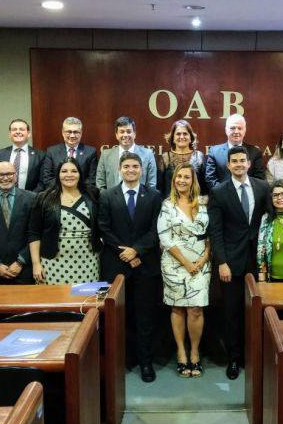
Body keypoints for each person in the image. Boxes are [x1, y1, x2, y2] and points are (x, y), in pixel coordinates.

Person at [98, 152, 163, 383]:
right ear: (119, 169)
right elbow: (103, 228)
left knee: (145, 316)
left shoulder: (154, 196)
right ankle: (122, 361)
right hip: (116, 266)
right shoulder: (107, 195)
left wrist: (137, 250)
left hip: (145, 265)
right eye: (126, 166)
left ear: (142, 169)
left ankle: (146, 363)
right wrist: (125, 253)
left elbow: (156, 230)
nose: (131, 170)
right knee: (118, 316)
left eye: (135, 166)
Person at [208, 146, 269, 380]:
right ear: (228, 165)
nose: (239, 164)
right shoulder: (219, 191)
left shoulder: (262, 187)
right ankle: (234, 358)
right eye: (235, 161)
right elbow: (216, 230)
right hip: (230, 263)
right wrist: (221, 262)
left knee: (256, 312)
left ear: (249, 163)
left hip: (258, 261)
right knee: (232, 313)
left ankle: (254, 357)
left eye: (243, 160)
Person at [157, 163, 210, 378]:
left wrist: (203, 259)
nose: (182, 180)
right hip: (174, 262)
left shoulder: (204, 204)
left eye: (186, 177)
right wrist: (187, 263)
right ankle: (181, 352)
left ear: (193, 180)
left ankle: (195, 352)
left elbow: (210, 235)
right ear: (173, 180)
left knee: (196, 308)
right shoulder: (167, 205)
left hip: (201, 262)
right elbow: (165, 238)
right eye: (179, 177)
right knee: (178, 307)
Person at [29, 158, 100, 285]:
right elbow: (34, 233)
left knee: (85, 300)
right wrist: (36, 264)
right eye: (64, 171)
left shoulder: (93, 194)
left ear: (80, 174)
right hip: (53, 261)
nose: (69, 175)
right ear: (58, 175)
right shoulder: (44, 197)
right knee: (55, 301)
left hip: (88, 260)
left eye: (74, 171)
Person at [0, 161, 37, 284]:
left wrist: (21, 261)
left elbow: (35, 234)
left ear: (15, 176)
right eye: (0, 175)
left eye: (9, 174)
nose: (5, 178)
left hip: (24, 271)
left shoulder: (32, 198)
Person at [204, 113, 266, 191]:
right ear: (226, 130)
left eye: (240, 128)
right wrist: (223, 194)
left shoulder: (255, 152)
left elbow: (259, 179)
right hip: (222, 199)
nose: (236, 131)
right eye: (232, 128)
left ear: (245, 130)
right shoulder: (214, 152)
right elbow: (210, 178)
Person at [96, 116, 156, 191]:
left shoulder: (148, 154)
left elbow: (151, 184)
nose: (125, 135)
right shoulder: (105, 155)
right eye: (122, 132)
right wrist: (108, 200)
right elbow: (100, 183)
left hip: (140, 201)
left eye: (128, 131)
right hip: (111, 201)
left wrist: (144, 202)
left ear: (134, 134)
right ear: (116, 135)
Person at [41, 117, 97, 190]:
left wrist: (75, 191)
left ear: (81, 133)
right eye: (69, 132)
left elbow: (92, 179)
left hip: (82, 194)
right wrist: (64, 191)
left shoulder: (91, 152)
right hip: (57, 195)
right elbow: (47, 178)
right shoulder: (51, 151)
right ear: (62, 133)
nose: (72, 135)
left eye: (76, 132)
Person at [0, 118, 46, 192]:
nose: (18, 132)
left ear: (29, 134)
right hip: (3, 199)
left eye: (21, 129)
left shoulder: (40, 155)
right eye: (14, 129)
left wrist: (31, 197)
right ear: (10, 134)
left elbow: (42, 182)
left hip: (32, 200)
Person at [156, 119, 206, 198]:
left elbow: (205, 186)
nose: (182, 137)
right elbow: (159, 187)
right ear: (173, 137)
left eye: (185, 134)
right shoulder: (165, 158)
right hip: (170, 206)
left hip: (195, 204)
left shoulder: (199, 157)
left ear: (191, 137)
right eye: (178, 134)